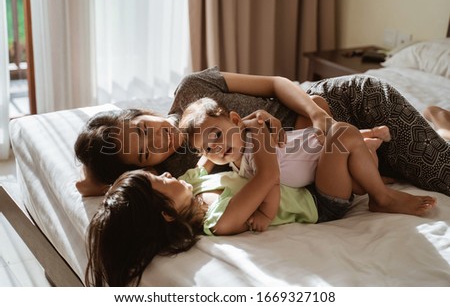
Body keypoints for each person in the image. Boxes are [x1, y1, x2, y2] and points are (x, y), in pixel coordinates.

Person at [85, 132, 436, 286]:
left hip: (305, 182)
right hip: (321, 203)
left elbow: (206, 154)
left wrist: (227, 132)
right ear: (166, 214)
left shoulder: (196, 184)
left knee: (357, 150)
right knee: (341, 136)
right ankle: (380, 197)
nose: (165, 172)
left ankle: (376, 169)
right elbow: (268, 174)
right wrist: (261, 138)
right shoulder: (219, 221)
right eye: (160, 180)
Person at [75, 67, 450, 196]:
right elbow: (101, 186)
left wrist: (316, 116)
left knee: (443, 175)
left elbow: (275, 82)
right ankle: (436, 124)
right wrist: (97, 181)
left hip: (343, 106)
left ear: (143, 113)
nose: (157, 142)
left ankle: (434, 123)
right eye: (145, 153)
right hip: (340, 157)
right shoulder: (186, 166)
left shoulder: (194, 87)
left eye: (143, 131)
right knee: (415, 165)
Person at [179, 97, 435, 230]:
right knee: (344, 135)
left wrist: (264, 214)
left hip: (320, 157)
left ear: (236, 121)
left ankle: (374, 174)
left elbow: (272, 181)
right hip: (323, 187)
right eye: (207, 149)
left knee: (328, 118)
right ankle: (378, 186)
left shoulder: (256, 141)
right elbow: (270, 180)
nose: (217, 149)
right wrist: (208, 151)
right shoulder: (237, 152)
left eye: (217, 136)